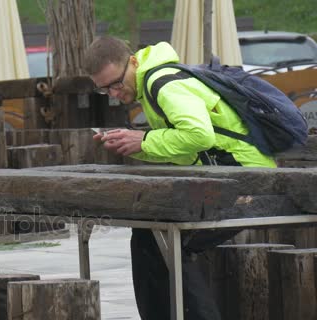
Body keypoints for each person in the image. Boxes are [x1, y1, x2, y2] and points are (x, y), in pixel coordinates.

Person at [82, 36, 276, 320]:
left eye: (115, 83)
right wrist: (132, 144)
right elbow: (186, 150)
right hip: (233, 177)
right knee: (151, 236)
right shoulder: (151, 84)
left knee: (167, 243)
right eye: (104, 89)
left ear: (133, 61)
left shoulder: (163, 84)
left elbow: (200, 135)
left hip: (252, 183)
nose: (113, 93)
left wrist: (145, 139)